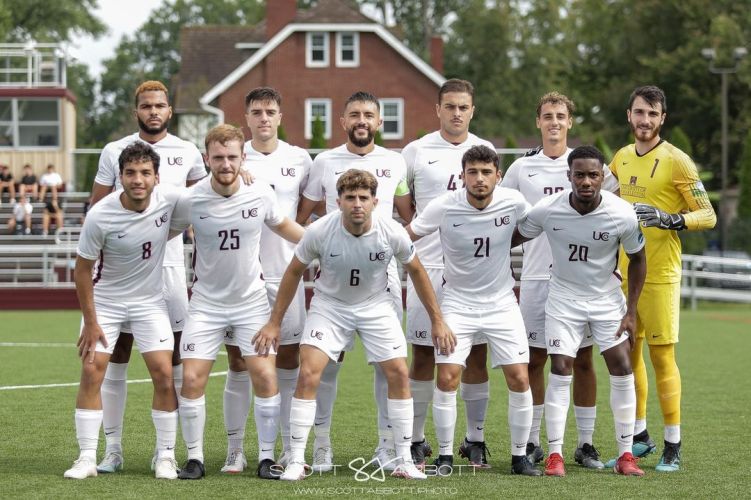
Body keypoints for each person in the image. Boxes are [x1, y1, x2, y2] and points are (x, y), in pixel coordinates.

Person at [257, 169, 450, 481]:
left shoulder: (392, 232)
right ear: (339, 202)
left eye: (363, 198)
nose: (357, 204)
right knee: (309, 372)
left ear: (375, 201)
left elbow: (416, 270)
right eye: (350, 198)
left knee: (399, 371)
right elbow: (293, 272)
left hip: (376, 305)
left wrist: (437, 321)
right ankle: (297, 459)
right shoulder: (319, 231)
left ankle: (402, 458)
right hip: (330, 306)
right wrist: (274, 323)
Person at [169, 124, 305, 480]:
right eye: (218, 157)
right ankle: (195, 459)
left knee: (263, 374)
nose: (226, 163)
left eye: (232, 156)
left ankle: (264, 457)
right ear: (207, 159)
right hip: (205, 305)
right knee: (193, 378)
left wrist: (323, 245)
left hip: (251, 304)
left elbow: (286, 227)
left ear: (243, 157)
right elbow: (159, 230)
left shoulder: (260, 192)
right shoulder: (190, 198)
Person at [90, 81, 207, 474]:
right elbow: (98, 208)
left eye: (159, 106)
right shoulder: (113, 151)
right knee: (116, 355)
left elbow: (201, 211)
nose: (153, 112)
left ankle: (168, 452)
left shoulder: (188, 152)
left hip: (171, 268)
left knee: (170, 359)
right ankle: (113, 449)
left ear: (169, 110)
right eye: (145, 106)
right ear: (136, 110)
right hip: (124, 272)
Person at [406, 145, 541, 476]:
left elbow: (538, 224)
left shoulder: (514, 201)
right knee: (448, 376)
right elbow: (406, 238)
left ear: (498, 175)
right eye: (472, 172)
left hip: (501, 302)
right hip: (457, 302)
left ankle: (520, 456)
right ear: (462, 176)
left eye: (486, 172)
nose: (479, 179)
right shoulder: (444, 205)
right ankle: (445, 455)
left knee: (519, 376)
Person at [513, 145, 647, 477]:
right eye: (579, 174)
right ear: (568, 176)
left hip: (606, 300)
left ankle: (626, 454)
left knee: (621, 365)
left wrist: (630, 311)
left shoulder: (622, 214)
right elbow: (511, 237)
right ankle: (555, 454)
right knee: (561, 366)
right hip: (563, 299)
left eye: (593, 174)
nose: (586, 181)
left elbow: (640, 259)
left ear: (603, 177)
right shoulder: (549, 209)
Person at [296, 91, 413, 472]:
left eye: (368, 115)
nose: (361, 120)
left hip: (381, 279)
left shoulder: (395, 162)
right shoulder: (324, 161)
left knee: (388, 365)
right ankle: (322, 447)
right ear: (343, 121)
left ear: (379, 122)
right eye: (354, 115)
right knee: (326, 365)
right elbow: (304, 216)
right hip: (334, 276)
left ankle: (388, 446)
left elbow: (406, 215)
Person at [501, 91, 619, 468]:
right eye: (548, 116)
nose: (554, 122)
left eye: (561, 116)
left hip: (584, 281)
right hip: (536, 278)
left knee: (583, 360)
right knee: (535, 359)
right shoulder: (521, 169)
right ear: (538, 122)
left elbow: (615, 218)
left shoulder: (589, 166)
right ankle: (535, 441)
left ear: (570, 121)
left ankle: (584, 444)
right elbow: (505, 220)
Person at [608, 85, 717, 472]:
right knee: (628, 356)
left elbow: (708, 215)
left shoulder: (678, 161)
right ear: (629, 115)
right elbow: (602, 201)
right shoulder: (620, 159)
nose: (645, 121)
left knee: (661, 358)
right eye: (639, 113)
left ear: (662, 119)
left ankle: (673, 446)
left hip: (662, 276)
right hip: (624, 276)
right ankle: (639, 440)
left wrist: (670, 218)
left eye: (653, 114)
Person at [64, 142, 183, 480]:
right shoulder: (100, 214)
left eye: (145, 172)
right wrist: (90, 321)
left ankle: (166, 456)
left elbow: (211, 192)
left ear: (157, 177)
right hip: (107, 302)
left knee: (163, 372)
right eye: (130, 172)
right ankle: (89, 457)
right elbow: (82, 269)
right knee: (92, 370)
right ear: (120, 177)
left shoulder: (170, 200)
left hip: (149, 302)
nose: (138, 179)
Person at [401, 78, 495, 468]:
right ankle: (417, 440)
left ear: (472, 111)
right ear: (438, 109)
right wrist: (419, 235)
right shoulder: (416, 150)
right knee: (423, 354)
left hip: (475, 273)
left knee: (475, 357)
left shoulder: (484, 151)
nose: (456, 113)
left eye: (463, 107)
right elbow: (402, 202)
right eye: (450, 106)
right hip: (428, 267)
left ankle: (474, 440)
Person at [238, 87, 312, 470]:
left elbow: (304, 212)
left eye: (270, 111)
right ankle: (237, 450)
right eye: (256, 112)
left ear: (280, 116)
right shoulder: (234, 156)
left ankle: (287, 446)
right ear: (246, 118)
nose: (264, 118)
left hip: (287, 272)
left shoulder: (299, 158)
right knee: (240, 360)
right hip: (245, 276)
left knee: (287, 357)